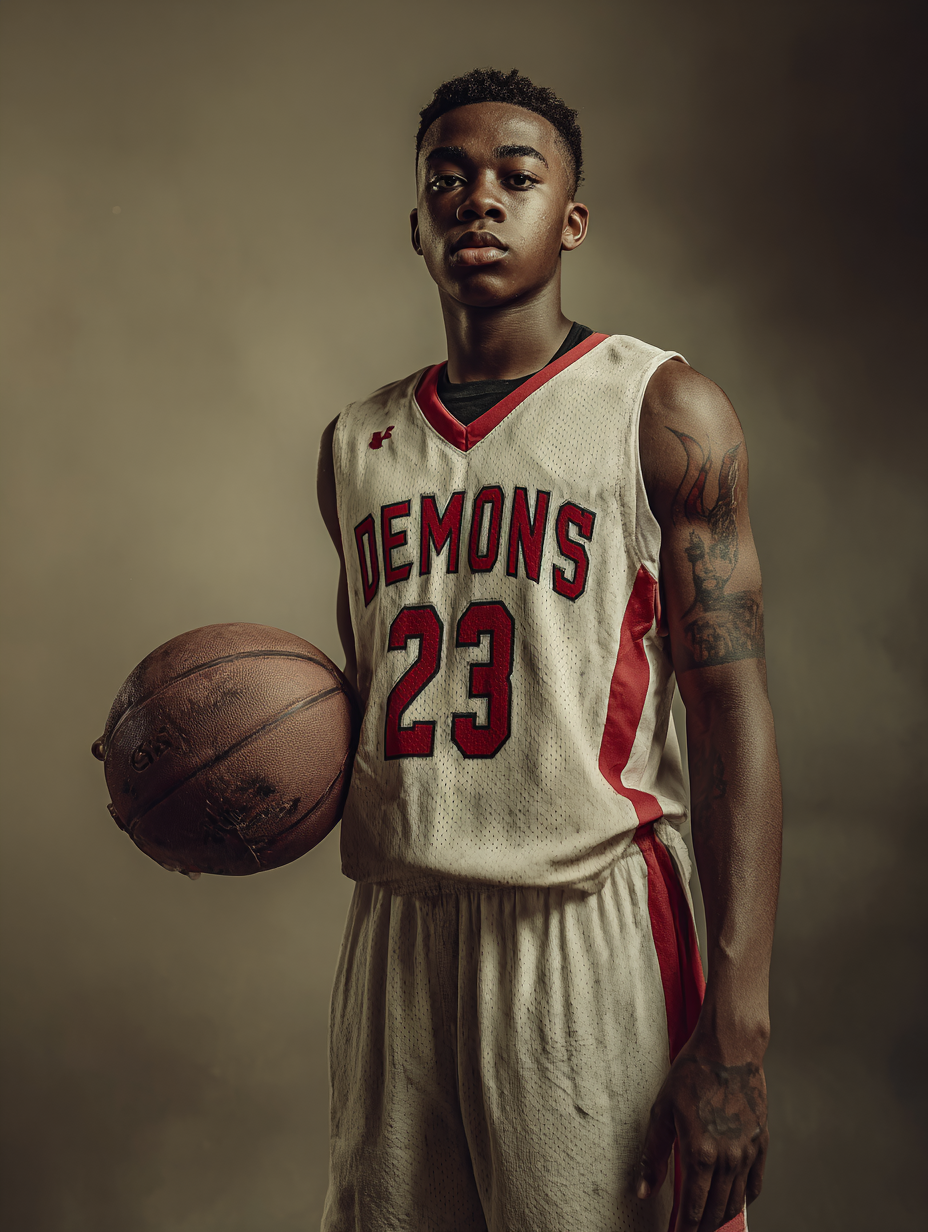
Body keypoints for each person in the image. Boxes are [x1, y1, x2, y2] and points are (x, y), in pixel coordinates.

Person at [315, 67, 781, 1232]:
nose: (477, 198)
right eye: (448, 178)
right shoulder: (357, 443)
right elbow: (354, 713)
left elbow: (732, 721)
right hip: (398, 931)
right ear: (415, 224)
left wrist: (736, 1026)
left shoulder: (662, 411)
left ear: (569, 220)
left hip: (584, 921)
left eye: (514, 178)